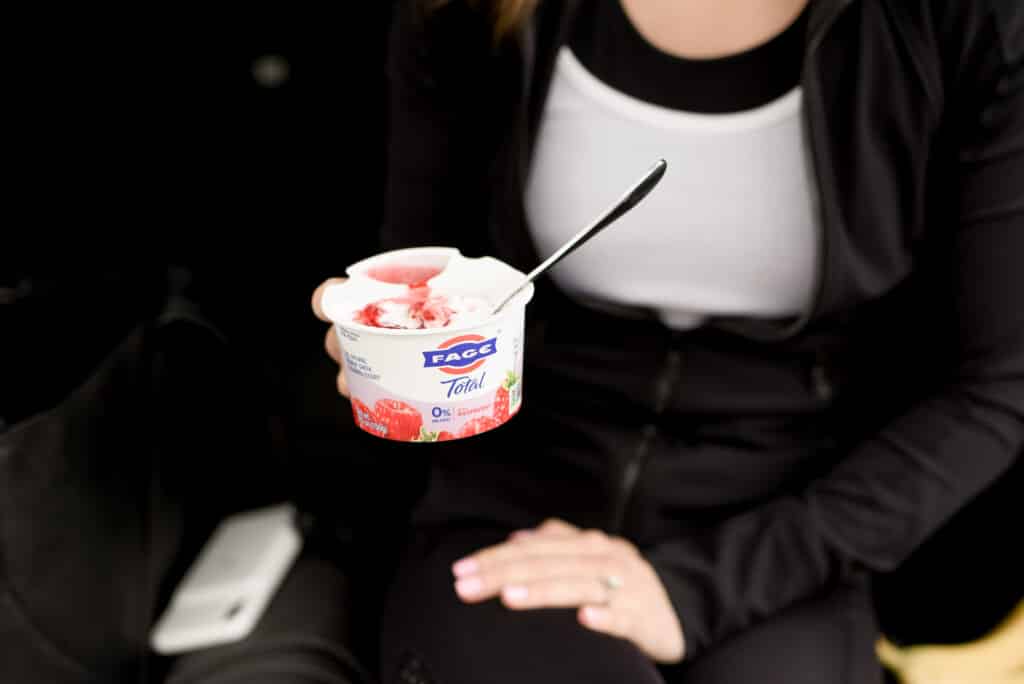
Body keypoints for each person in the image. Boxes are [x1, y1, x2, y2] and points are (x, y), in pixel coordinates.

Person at [311, 0, 1024, 682]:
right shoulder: (470, 10)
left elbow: (998, 385)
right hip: (507, 504)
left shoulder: (970, 21)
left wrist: (692, 591)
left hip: (793, 528)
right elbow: (420, 266)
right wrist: (394, 356)